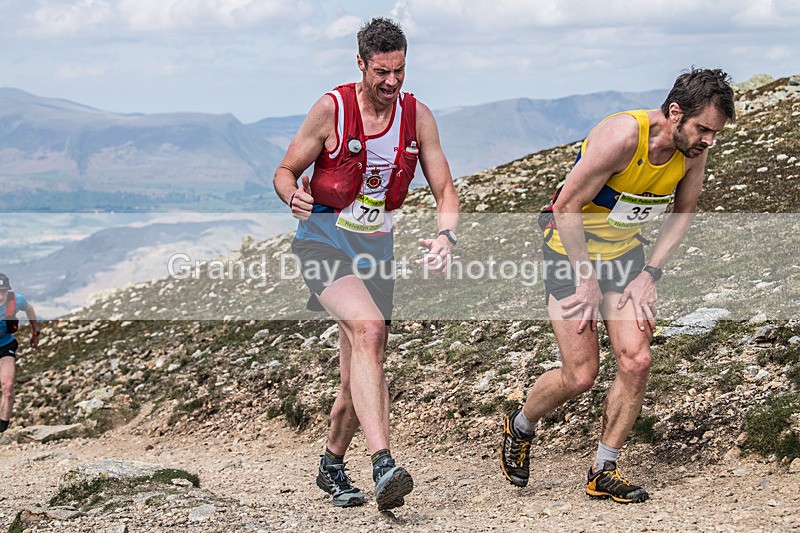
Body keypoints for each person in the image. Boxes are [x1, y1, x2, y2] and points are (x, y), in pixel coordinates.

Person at [500, 68, 735, 503]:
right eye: (704, 129)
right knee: (581, 375)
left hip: (625, 257)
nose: (708, 141)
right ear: (675, 112)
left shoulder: (692, 150)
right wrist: (585, 279)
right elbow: (566, 205)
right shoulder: (622, 138)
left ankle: (603, 468)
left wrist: (651, 274)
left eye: (715, 133)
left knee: (637, 360)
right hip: (571, 252)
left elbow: (683, 212)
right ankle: (521, 425)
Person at [273, 18, 459, 510]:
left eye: (399, 70)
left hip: (376, 251)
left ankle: (331, 464)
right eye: (381, 72)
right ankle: (384, 464)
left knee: (359, 372)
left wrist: (446, 234)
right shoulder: (331, 109)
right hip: (322, 242)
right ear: (361, 64)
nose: (392, 82)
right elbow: (285, 170)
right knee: (370, 330)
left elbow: (445, 188)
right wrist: (292, 194)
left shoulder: (417, 116)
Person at [0, 273, 41, 433]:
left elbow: (29, 308)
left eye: (2, 292)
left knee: (8, 387)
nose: (0, 296)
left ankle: (2, 431)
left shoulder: (16, 300)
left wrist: (35, 333)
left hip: (5, 346)